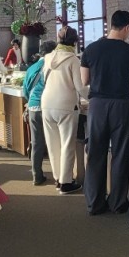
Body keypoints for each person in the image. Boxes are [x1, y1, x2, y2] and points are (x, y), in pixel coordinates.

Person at [80, 10, 129, 216]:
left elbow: (84, 80)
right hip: (121, 105)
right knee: (120, 154)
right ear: (126, 27)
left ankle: (94, 203)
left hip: (97, 105)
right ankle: (117, 202)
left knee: (95, 153)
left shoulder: (91, 49)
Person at [41, 27, 84, 194]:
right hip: (65, 105)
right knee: (67, 144)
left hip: (47, 103)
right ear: (74, 42)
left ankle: (58, 178)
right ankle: (66, 183)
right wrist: (93, 96)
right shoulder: (73, 59)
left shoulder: (48, 57)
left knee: (53, 145)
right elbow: (80, 87)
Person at [23, 40, 57, 186]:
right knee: (55, 142)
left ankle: (36, 175)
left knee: (36, 142)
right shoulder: (53, 66)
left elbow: (25, 90)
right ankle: (59, 176)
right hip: (49, 107)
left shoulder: (31, 68)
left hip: (33, 107)